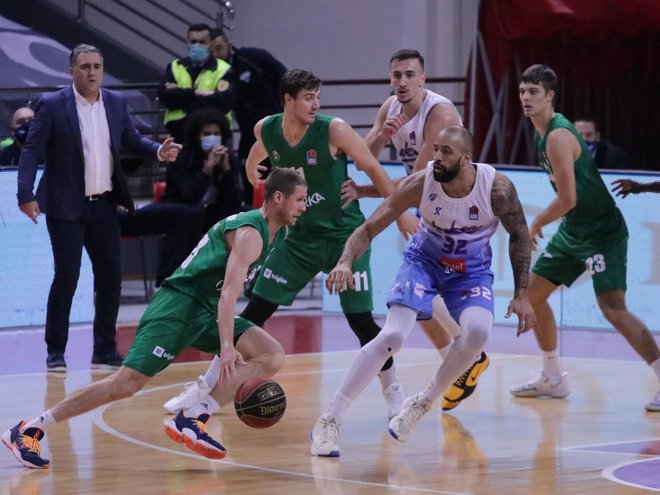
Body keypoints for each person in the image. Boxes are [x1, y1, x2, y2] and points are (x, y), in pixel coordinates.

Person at [2, 168, 308, 469]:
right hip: (179, 306)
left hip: (204, 308)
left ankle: (192, 417)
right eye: (299, 200)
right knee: (124, 385)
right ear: (278, 197)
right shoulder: (251, 233)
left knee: (270, 354)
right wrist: (226, 345)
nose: (303, 207)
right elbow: (229, 294)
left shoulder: (276, 232)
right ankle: (29, 429)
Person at [162, 69, 416, 419]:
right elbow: (256, 154)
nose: (315, 104)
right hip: (297, 239)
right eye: (308, 97)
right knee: (254, 314)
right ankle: (204, 387)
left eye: (317, 97)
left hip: (345, 237)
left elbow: (373, 169)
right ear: (288, 101)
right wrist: (253, 170)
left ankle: (394, 393)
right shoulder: (266, 127)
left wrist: (400, 213)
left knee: (360, 322)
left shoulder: (333, 129)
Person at [310, 125, 534, 455]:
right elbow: (369, 227)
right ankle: (329, 420)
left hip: (469, 272)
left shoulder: (496, 189)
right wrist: (345, 261)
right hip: (424, 261)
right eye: (435, 149)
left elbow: (520, 235)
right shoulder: (422, 182)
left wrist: (521, 294)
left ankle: (422, 402)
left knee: (477, 334)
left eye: (446, 152)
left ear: (467, 159)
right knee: (393, 336)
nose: (436, 158)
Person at [16, 44, 181, 373]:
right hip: (65, 205)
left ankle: (105, 350)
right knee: (67, 277)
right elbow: (32, 151)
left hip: (104, 205)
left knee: (110, 279)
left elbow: (132, 139)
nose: (92, 72)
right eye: (85, 67)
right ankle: (55, 351)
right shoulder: (52, 104)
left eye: (97, 66)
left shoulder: (116, 102)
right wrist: (25, 193)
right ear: (72, 71)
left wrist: (158, 152)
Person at [511, 64, 660, 412]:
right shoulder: (540, 130)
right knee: (532, 297)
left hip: (601, 232)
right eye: (522, 92)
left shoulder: (559, 136)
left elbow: (567, 199)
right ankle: (552, 377)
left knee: (613, 310)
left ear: (550, 96)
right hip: (573, 231)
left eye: (533, 92)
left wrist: (535, 223)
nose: (526, 98)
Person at [352, 48, 488, 411]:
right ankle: (461, 362)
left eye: (410, 75)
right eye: (396, 75)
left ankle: (468, 352)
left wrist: (373, 195)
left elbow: (422, 178)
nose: (402, 82)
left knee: (425, 289)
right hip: (424, 204)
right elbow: (364, 157)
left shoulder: (439, 113)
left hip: (452, 202)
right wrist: (382, 133)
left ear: (423, 79)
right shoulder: (390, 107)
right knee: (416, 297)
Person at [209, 29, 287, 205]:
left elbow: (286, 77)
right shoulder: (216, 73)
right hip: (248, 133)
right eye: (211, 51)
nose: (216, 54)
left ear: (229, 45)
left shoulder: (253, 57)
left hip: (275, 128)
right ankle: (254, 219)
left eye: (219, 48)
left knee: (280, 177)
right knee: (250, 178)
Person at [163, 107, 244, 231]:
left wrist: (226, 170)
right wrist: (207, 170)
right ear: (196, 136)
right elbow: (189, 196)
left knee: (241, 214)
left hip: (213, 214)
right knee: (193, 213)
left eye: (216, 134)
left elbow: (235, 200)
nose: (212, 137)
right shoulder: (182, 157)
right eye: (206, 134)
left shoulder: (228, 157)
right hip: (183, 213)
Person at [157, 23, 235, 143]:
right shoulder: (175, 66)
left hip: (213, 134)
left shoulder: (224, 69)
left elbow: (223, 101)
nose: (197, 45)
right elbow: (165, 95)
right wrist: (198, 93)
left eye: (202, 42)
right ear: (187, 42)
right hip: (180, 134)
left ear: (211, 44)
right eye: (193, 41)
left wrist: (183, 96)